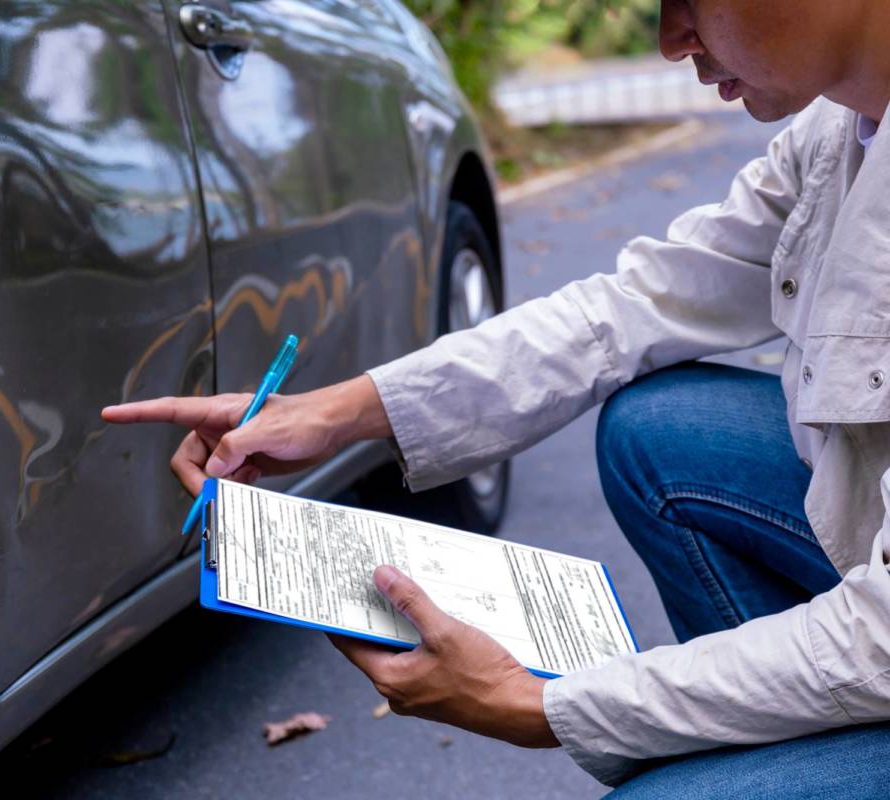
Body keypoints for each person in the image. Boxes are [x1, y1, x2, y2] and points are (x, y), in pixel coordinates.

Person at [102, 1, 890, 795]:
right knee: (660, 430)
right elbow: (626, 308)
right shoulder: (837, 134)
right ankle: (776, 748)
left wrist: (537, 703)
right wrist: (335, 413)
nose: (669, 40)